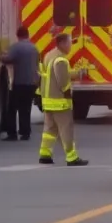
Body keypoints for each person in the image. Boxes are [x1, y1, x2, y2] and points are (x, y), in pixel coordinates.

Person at [38, 31, 88, 166]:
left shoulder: (49, 55)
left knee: (50, 129)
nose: (71, 46)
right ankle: (72, 157)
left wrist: (78, 73)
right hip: (59, 102)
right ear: (62, 43)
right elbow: (62, 81)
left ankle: (45, 154)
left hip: (48, 100)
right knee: (66, 129)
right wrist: (67, 94)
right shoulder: (61, 60)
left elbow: (55, 75)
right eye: (70, 43)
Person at [0, 25, 40, 141]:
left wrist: (0, 56)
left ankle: (12, 133)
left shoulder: (16, 47)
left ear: (18, 36)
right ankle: (25, 132)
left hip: (20, 82)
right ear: (28, 35)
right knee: (26, 109)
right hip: (32, 83)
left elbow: (8, 59)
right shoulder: (34, 48)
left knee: (12, 109)